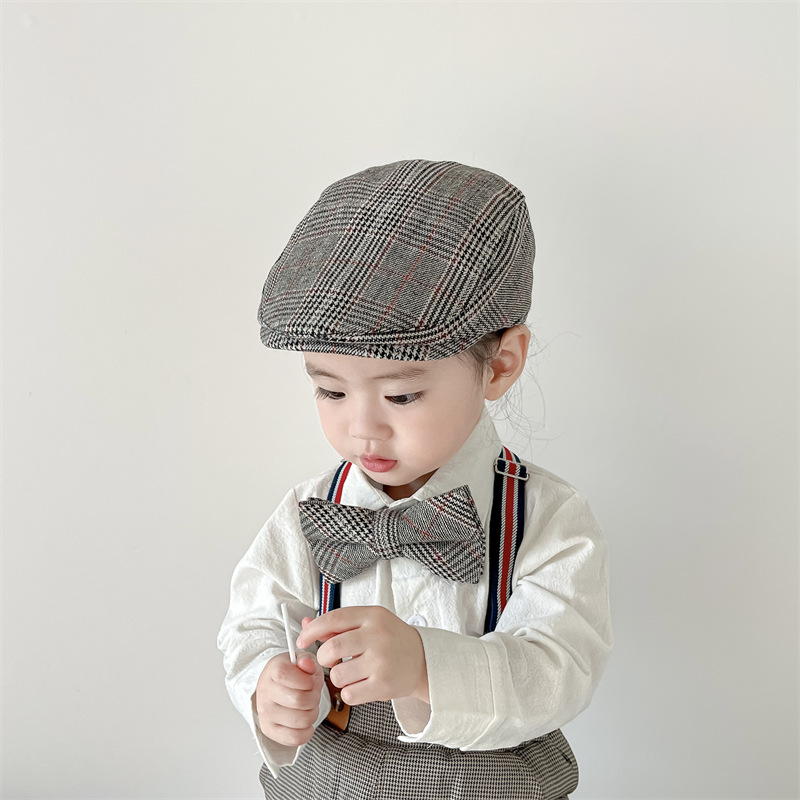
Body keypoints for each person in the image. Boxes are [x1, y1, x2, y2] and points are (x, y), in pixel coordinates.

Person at [218, 159, 612, 800]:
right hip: (331, 779)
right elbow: (254, 622)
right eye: (330, 391)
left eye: (401, 396)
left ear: (499, 365)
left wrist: (427, 665)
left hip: (487, 780)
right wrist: (268, 685)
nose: (362, 429)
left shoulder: (545, 516)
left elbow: (559, 667)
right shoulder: (308, 510)